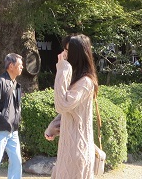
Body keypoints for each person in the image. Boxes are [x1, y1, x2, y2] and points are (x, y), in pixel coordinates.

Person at [46, 34, 98, 179]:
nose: (63, 54)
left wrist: (63, 69)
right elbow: (69, 111)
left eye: (67, 51)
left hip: (77, 151)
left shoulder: (85, 82)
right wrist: (53, 127)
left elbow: (62, 105)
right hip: (69, 148)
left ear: (77, 54)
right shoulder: (78, 79)